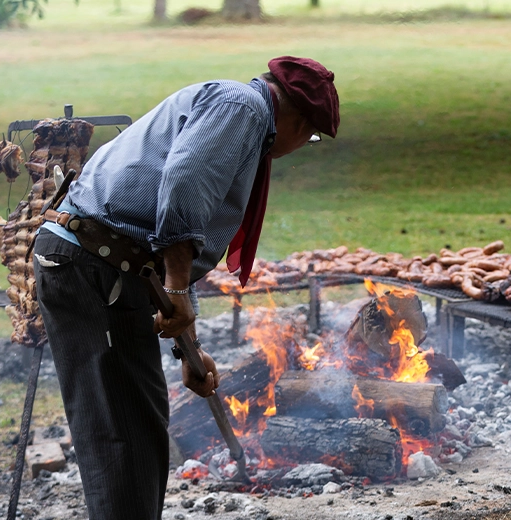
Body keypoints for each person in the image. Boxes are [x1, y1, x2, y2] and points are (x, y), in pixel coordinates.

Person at [32, 56, 339, 519]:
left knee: (130, 423)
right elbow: (184, 189)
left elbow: (171, 242)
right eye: (311, 136)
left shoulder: (241, 113)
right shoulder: (243, 107)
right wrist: (176, 293)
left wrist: (190, 347)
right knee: (124, 430)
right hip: (93, 264)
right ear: (296, 117)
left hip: (107, 264)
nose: (303, 145)